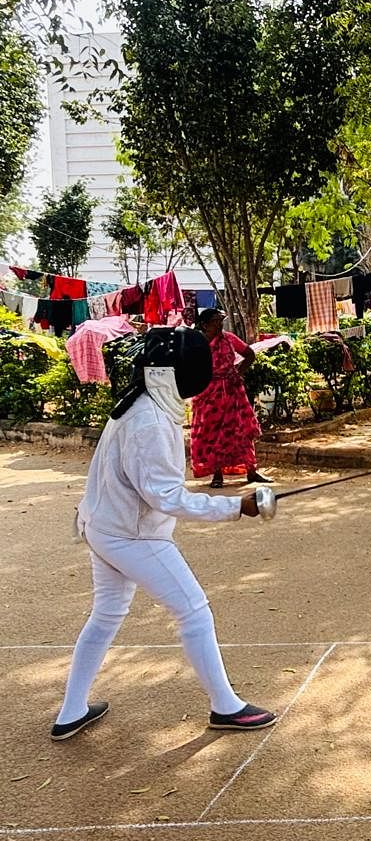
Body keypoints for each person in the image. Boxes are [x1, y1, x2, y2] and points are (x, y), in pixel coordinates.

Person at [52, 327, 276, 740]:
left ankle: (71, 711)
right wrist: (236, 506)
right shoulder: (149, 421)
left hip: (104, 527)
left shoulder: (140, 403)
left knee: (106, 615)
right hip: (131, 536)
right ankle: (225, 707)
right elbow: (165, 496)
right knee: (193, 610)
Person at [192, 308, 271, 488]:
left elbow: (250, 354)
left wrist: (237, 372)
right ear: (204, 325)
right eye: (215, 321)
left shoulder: (228, 338)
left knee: (241, 430)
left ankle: (251, 471)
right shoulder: (197, 343)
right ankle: (217, 474)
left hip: (233, 391)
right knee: (211, 432)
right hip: (208, 394)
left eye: (221, 320)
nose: (219, 324)